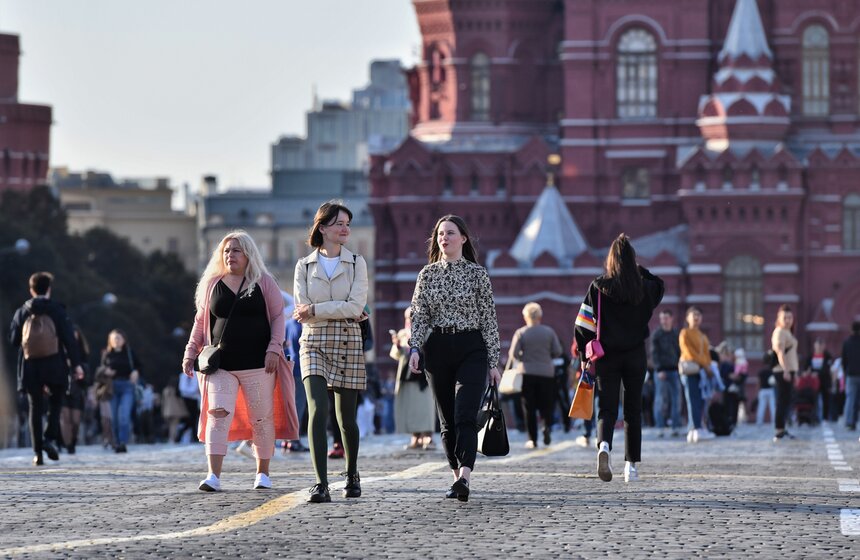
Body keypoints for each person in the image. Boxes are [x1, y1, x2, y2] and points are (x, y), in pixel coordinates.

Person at [183, 230, 299, 492]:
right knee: (217, 414)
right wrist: (190, 352)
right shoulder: (213, 283)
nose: (230, 255)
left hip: (259, 363)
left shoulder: (264, 282)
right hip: (221, 364)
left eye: (236, 250)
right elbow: (200, 322)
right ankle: (213, 475)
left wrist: (274, 348)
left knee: (261, 419)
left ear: (248, 254)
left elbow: (278, 317)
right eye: (226, 250)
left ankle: (263, 474)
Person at [408, 214, 501, 501]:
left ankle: (465, 476)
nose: (444, 238)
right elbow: (419, 314)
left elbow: (489, 318)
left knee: (464, 414)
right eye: (440, 234)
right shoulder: (427, 275)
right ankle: (455, 477)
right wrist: (414, 348)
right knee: (447, 420)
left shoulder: (477, 274)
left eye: (450, 233)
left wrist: (494, 362)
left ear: (463, 238)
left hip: (471, 346)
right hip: (438, 348)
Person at [293, 201, 368, 503]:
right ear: (322, 227)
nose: (345, 228)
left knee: (346, 418)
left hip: (348, 340)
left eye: (348, 223)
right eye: (338, 223)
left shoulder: (357, 262)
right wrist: (319, 311)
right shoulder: (303, 265)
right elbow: (301, 312)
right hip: (312, 341)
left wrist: (315, 309)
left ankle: (351, 473)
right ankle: (320, 482)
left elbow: (356, 306)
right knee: (317, 409)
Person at [574, 234, 664, 483]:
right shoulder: (645, 288)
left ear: (610, 260)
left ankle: (604, 446)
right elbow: (660, 284)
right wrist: (637, 269)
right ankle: (631, 467)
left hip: (606, 356)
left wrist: (584, 354)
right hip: (635, 355)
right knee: (633, 411)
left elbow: (582, 324)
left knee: (607, 408)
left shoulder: (599, 286)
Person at [9, 272, 85, 466]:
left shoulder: (22, 311)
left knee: (35, 408)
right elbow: (69, 339)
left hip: (30, 365)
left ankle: (38, 453)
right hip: (55, 364)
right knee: (56, 402)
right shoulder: (57, 310)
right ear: (49, 289)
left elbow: (14, 341)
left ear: (31, 290)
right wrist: (76, 365)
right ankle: (49, 438)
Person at [508, 302, 563, 449]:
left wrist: (523, 357)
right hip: (547, 373)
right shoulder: (549, 331)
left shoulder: (521, 332)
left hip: (527, 373)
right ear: (540, 316)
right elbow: (557, 351)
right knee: (547, 405)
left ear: (526, 317)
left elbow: (513, 354)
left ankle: (532, 439)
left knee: (529, 407)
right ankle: (546, 427)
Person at [390, 308, 437, 450]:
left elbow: (432, 350)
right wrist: (398, 346)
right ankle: (415, 436)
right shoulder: (403, 334)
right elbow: (395, 355)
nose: (409, 321)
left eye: (411, 317)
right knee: (411, 409)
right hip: (407, 377)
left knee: (425, 408)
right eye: (407, 318)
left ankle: (428, 436)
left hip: (423, 377)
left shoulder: (428, 331)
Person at [96, 329, 141, 453]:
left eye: (119, 338)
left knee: (124, 416)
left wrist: (136, 372)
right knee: (114, 418)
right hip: (112, 387)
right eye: (114, 338)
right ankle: (115, 442)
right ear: (110, 341)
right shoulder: (107, 354)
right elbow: (101, 370)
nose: (116, 340)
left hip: (127, 386)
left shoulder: (129, 353)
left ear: (124, 340)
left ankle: (122, 442)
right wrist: (106, 371)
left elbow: (139, 366)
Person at [678, 306, 714, 443]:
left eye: (698, 315)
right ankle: (695, 429)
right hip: (690, 370)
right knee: (692, 399)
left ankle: (695, 429)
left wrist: (708, 366)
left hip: (701, 372)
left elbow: (707, 355)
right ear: (687, 318)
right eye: (693, 315)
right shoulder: (684, 333)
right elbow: (688, 352)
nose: (696, 317)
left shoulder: (703, 336)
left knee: (700, 400)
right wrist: (705, 365)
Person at [650, 309, 682, 438]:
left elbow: (681, 352)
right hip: (661, 372)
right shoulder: (656, 334)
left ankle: (675, 427)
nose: (664, 320)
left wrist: (681, 367)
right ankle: (660, 427)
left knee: (676, 400)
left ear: (671, 319)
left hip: (675, 371)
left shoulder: (676, 333)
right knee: (660, 400)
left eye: (666, 318)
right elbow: (654, 354)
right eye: (662, 318)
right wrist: (658, 369)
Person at [61, 325, 90, 453]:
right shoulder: (60, 350)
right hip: (62, 388)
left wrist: (81, 371)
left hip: (77, 389)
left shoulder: (82, 352)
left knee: (76, 420)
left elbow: (88, 376)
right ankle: (68, 445)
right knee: (65, 418)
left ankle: (73, 440)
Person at [771, 304, 799, 441]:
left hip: (789, 370)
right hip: (782, 371)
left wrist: (795, 372)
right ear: (779, 318)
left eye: (790, 317)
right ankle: (779, 431)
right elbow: (780, 352)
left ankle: (783, 428)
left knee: (787, 400)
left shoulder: (788, 332)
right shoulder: (780, 332)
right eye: (785, 318)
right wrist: (786, 370)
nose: (788, 320)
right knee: (782, 401)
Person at [803, 338, 832, 423]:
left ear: (824, 346)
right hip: (813, 382)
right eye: (817, 346)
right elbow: (806, 368)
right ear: (814, 346)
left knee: (825, 399)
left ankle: (825, 418)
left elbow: (826, 369)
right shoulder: (810, 356)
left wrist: (816, 372)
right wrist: (808, 372)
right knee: (813, 400)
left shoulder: (827, 356)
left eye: (821, 346)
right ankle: (813, 416)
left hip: (825, 381)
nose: (819, 348)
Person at [841, 321, 860, 430]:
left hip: (851, 375)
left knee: (850, 399)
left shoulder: (846, 342)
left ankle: (849, 421)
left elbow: (843, 360)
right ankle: (855, 420)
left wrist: (845, 371)